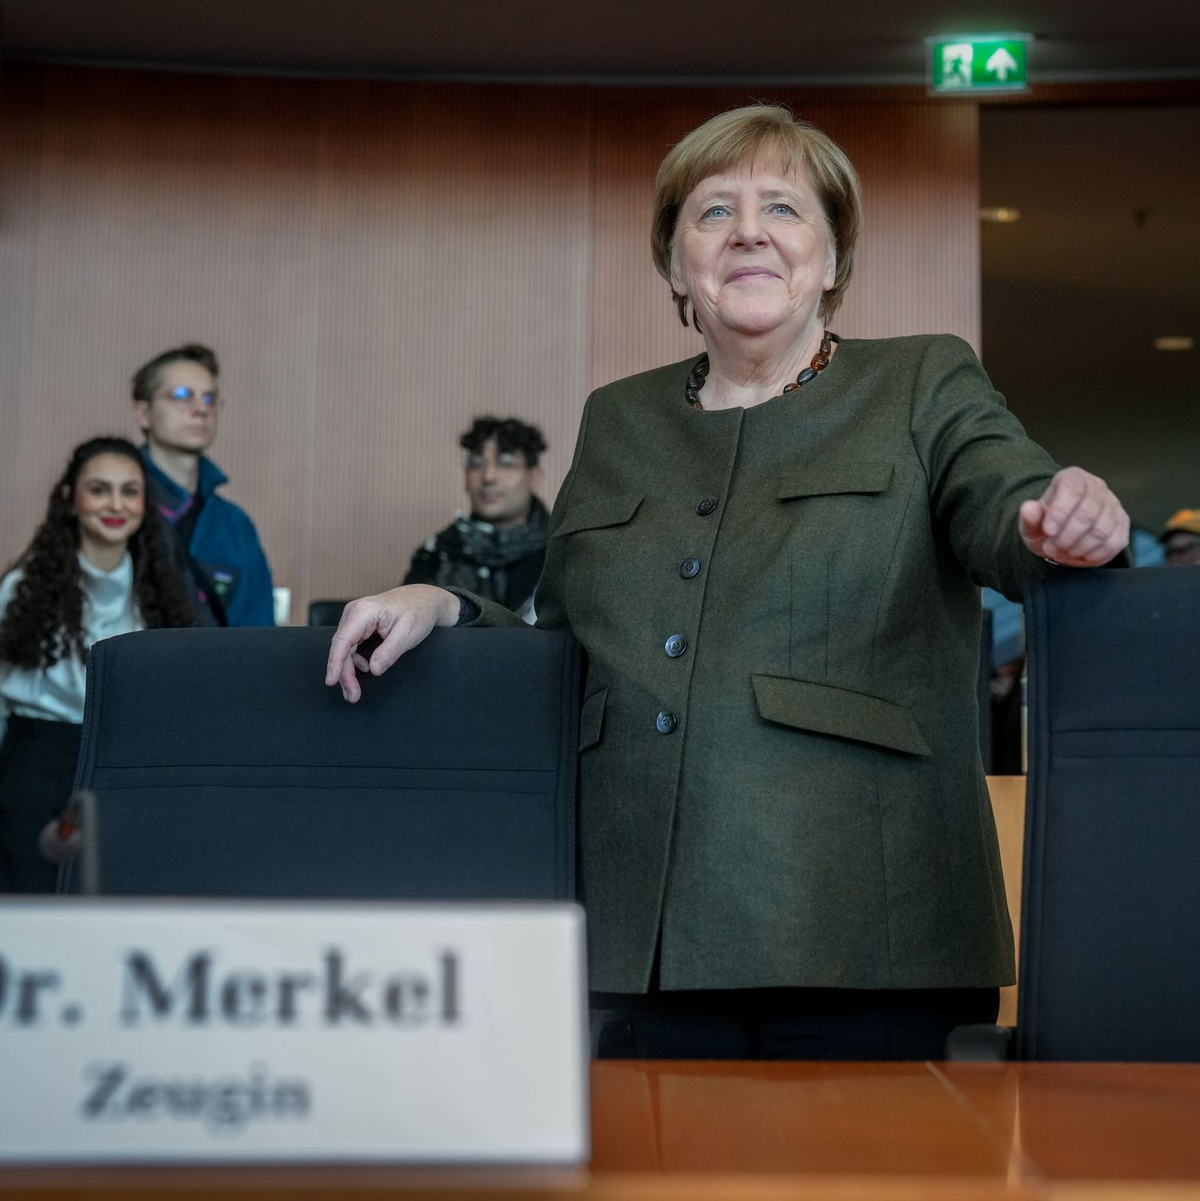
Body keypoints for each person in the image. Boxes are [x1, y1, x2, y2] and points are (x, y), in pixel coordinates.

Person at [325, 105, 1130, 1059]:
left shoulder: (920, 380)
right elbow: (568, 646)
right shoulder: (616, 418)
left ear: (833, 259)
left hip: (866, 926)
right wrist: (446, 605)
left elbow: (1010, 510)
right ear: (675, 265)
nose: (748, 230)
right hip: (636, 930)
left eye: (784, 208)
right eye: (713, 213)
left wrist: (1064, 523)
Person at [0, 437, 194, 892]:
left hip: (125, 765)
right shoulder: (20, 590)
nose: (115, 504)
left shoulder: (163, 591)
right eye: (99, 489)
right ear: (70, 499)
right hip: (36, 763)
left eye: (129, 491)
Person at [131, 343, 275, 626]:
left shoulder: (234, 524)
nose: (201, 409)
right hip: (127, 667)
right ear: (143, 414)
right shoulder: (114, 507)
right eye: (182, 395)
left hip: (217, 669)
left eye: (210, 398)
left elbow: (258, 637)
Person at [403, 417, 549, 620]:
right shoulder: (436, 553)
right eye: (477, 464)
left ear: (535, 478)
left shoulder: (560, 552)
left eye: (506, 463)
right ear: (465, 478)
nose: (488, 476)